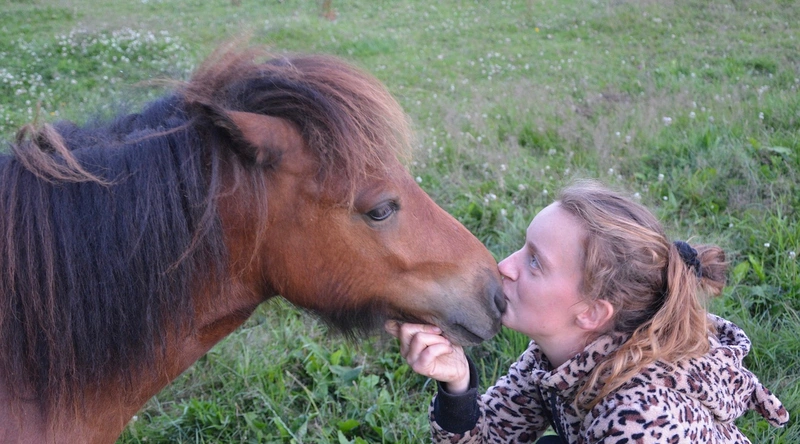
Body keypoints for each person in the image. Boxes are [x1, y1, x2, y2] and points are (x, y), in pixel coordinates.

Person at [385, 179, 789, 443]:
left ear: (592, 313)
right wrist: (458, 385)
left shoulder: (641, 419)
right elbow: (492, 438)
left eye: (535, 262)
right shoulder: (558, 359)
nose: (504, 266)